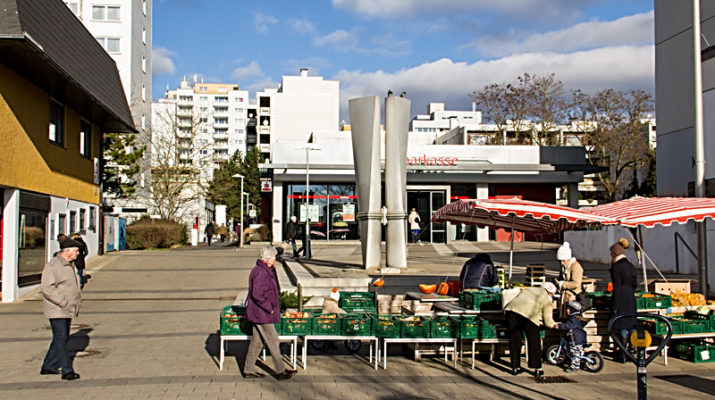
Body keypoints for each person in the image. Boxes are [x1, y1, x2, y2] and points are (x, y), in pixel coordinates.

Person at [244, 245, 297, 380]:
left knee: (258, 341)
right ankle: (280, 370)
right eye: (274, 257)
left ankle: (248, 369)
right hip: (262, 313)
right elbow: (258, 294)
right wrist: (270, 308)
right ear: (268, 258)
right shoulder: (261, 272)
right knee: (273, 340)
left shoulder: (262, 270)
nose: (275, 259)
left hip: (260, 312)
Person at [40, 237, 83, 381]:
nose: (78, 253)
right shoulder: (54, 266)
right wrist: (63, 302)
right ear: (68, 251)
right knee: (62, 339)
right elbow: (47, 288)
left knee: (60, 338)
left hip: (67, 308)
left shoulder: (69, 264)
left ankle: (48, 365)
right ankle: (67, 370)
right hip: (57, 309)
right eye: (76, 251)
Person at [504, 282, 558, 377]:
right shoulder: (547, 298)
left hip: (511, 311)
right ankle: (537, 367)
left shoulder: (529, 289)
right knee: (534, 340)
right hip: (529, 315)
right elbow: (548, 319)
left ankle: (515, 367)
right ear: (550, 292)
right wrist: (554, 325)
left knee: (515, 340)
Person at [609, 238, 637, 362]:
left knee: (621, 325)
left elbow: (617, 286)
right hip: (630, 297)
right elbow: (635, 283)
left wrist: (614, 304)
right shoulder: (630, 265)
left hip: (620, 297)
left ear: (615, 254)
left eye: (611, 253)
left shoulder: (616, 267)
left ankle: (622, 353)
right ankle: (632, 350)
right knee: (631, 324)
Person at [556, 301, 588, 372]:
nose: (567, 310)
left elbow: (568, 326)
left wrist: (558, 326)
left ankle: (574, 367)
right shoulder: (578, 318)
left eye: (568, 309)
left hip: (575, 338)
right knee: (578, 351)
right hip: (581, 337)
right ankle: (579, 362)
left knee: (574, 353)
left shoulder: (573, 319)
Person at [555, 242, 583, 318]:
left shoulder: (576, 267)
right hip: (565, 297)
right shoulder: (564, 267)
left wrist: (562, 284)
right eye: (560, 261)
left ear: (568, 258)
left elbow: (576, 283)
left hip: (572, 298)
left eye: (563, 261)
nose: (561, 263)